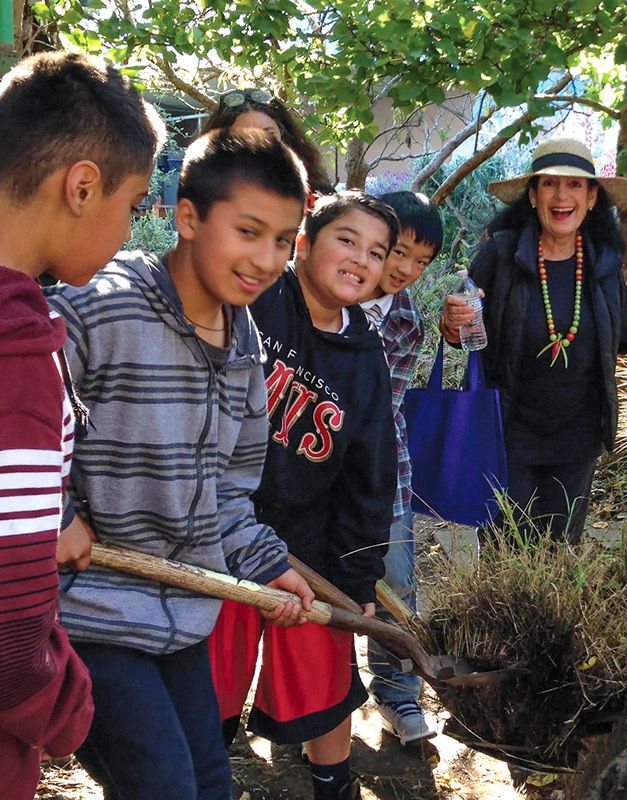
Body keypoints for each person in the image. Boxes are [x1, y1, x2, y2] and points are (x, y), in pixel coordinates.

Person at [46, 127, 315, 800]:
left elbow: (226, 489)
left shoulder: (245, 343)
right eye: (248, 231)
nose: (266, 258)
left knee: (209, 783)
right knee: (162, 788)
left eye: (283, 240)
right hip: (92, 613)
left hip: (181, 616)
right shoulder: (96, 307)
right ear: (187, 217)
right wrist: (57, 512)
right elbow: (16, 416)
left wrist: (267, 565)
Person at [0, 51, 162, 800]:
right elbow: (10, 629)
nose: (133, 228)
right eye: (133, 205)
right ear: (82, 186)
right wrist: (66, 710)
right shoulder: (16, 352)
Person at [441, 137, 627, 543]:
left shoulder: (602, 262)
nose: (562, 196)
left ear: (592, 197)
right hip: (507, 429)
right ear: (532, 195)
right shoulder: (501, 254)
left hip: (577, 433)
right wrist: (452, 323)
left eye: (575, 185)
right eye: (550, 184)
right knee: (507, 548)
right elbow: (465, 333)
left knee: (559, 548)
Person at [209, 191, 399, 800]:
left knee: (324, 680)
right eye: (347, 240)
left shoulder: (367, 354)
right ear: (303, 243)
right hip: (219, 536)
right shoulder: (259, 302)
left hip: (309, 550)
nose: (360, 259)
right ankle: (194, 771)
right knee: (207, 675)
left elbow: (370, 474)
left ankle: (332, 784)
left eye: (376, 252)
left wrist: (361, 576)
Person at [360, 190, 442, 745]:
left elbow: (389, 403)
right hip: (315, 468)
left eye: (421, 261)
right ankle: (301, 701)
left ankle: (397, 692)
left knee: (395, 580)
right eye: (399, 253)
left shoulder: (408, 318)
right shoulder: (323, 293)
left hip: (385, 469)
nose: (407, 270)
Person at [201, 88, 333, 193]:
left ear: (284, 137)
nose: (260, 144)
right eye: (244, 138)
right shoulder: (207, 201)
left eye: (269, 134)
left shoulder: (318, 197)